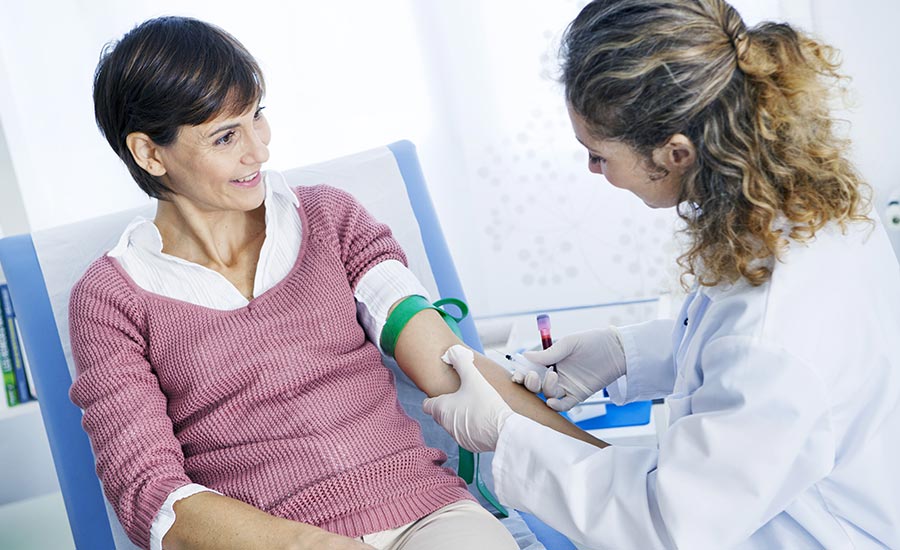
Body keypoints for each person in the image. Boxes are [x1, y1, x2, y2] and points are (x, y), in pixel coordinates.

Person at [69, 16, 603, 550]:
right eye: (226, 136)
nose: (259, 150)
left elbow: (451, 366)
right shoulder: (111, 300)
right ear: (149, 152)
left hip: (429, 517)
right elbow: (151, 497)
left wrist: (616, 474)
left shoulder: (331, 220)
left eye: (257, 117)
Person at [423, 0, 900, 548]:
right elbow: (735, 351)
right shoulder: (804, 205)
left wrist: (507, 437)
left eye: (599, 155)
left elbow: (668, 526)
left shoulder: (774, 337)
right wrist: (626, 354)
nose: (591, 170)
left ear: (676, 153)